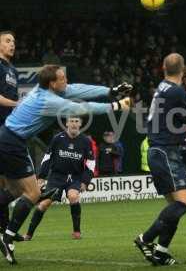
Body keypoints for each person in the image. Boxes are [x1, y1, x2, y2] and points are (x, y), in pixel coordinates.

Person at [0, 64, 132, 264]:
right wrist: (115, 106)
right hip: (13, 143)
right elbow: (81, 108)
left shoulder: (44, 90)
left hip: (6, 137)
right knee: (33, 193)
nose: (66, 81)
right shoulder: (48, 101)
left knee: (15, 190)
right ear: (53, 83)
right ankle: (7, 237)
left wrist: (109, 91)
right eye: (62, 78)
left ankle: (5, 232)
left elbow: (78, 89)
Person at [134, 53, 186, 266]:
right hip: (166, 152)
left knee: (173, 207)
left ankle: (161, 252)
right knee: (184, 203)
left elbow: (177, 116)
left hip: (157, 151)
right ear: (183, 70)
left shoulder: (162, 88)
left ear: (163, 68)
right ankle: (145, 239)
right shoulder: (176, 91)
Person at [24, 116, 95, 241]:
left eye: (76, 121)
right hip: (57, 177)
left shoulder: (85, 141)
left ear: (80, 124)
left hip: (75, 177)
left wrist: (85, 181)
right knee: (44, 203)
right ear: (67, 123)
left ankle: (77, 232)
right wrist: (41, 177)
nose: (74, 124)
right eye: (71, 121)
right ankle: (29, 234)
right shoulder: (58, 139)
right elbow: (47, 157)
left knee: (73, 197)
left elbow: (90, 163)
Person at [0, 31, 23, 241]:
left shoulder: (13, 70)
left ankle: (5, 229)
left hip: (8, 131)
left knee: (10, 185)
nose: (12, 45)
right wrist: (17, 105)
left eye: (14, 42)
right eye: (7, 41)